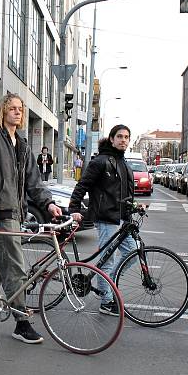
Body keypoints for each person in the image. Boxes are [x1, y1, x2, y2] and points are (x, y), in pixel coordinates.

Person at [0, 93, 61, 344]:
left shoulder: (21, 145)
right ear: (3, 112)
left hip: (17, 213)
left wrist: (49, 203)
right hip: (0, 213)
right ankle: (21, 322)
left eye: (20, 109)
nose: (17, 112)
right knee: (16, 268)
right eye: (12, 108)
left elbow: (34, 181)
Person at [68, 125, 136, 316]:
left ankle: (108, 284)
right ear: (112, 139)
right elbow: (83, 185)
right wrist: (74, 209)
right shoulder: (101, 161)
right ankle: (106, 301)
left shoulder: (123, 163)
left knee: (131, 253)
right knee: (107, 260)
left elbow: (126, 194)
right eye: (120, 137)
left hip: (121, 219)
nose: (123, 140)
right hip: (106, 217)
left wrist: (132, 211)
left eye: (126, 137)